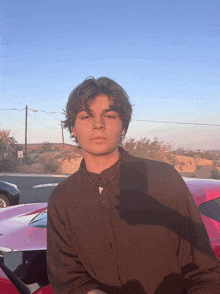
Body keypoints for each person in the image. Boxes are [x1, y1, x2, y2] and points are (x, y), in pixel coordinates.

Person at [47, 77, 220, 294]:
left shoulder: (164, 178)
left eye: (109, 115)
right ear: (73, 128)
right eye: (86, 116)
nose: (98, 124)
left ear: (123, 126)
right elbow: (67, 277)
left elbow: (205, 271)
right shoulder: (62, 199)